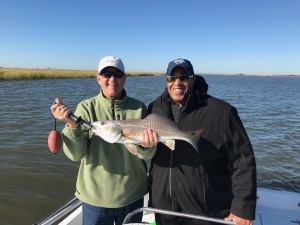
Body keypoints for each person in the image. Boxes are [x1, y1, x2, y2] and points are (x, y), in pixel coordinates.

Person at [50, 56, 158, 225]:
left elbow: (147, 154)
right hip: (95, 198)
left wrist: (146, 146)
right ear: (98, 78)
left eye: (117, 74)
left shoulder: (139, 108)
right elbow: (76, 155)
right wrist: (71, 125)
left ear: (124, 78)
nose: (112, 79)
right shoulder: (86, 108)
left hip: (133, 195)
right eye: (106, 74)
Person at [147, 58, 257, 225]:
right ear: (166, 80)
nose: (177, 82)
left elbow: (243, 160)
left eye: (183, 77)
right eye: (172, 77)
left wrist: (243, 207)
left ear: (193, 78)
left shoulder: (222, 113)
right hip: (163, 210)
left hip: (205, 213)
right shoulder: (155, 108)